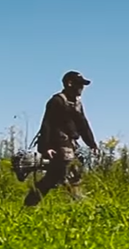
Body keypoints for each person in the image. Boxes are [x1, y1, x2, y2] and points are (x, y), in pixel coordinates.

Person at [23, 70, 98, 206]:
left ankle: (31, 203)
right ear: (69, 84)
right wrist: (47, 148)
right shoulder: (57, 101)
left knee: (58, 176)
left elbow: (83, 124)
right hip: (58, 142)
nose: (82, 88)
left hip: (71, 142)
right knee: (66, 172)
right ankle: (77, 202)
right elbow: (47, 125)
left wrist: (92, 144)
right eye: (79, 84)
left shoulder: (77, 103)